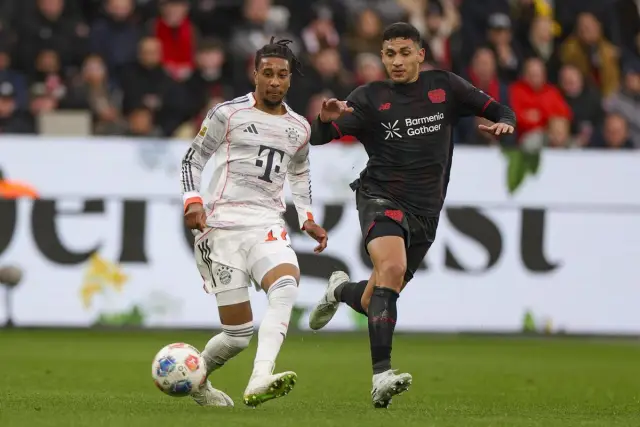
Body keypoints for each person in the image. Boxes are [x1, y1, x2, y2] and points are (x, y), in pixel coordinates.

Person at [307, 22, 516, 408]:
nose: (397, 61)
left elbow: (498, 108)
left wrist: (507, 123)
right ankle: (381, 376)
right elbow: (319, 138)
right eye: (390, 54)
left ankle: (338, 289)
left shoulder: (446, 87)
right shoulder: (369, 97)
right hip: (380, 197)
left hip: (427, 212)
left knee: (374, 299)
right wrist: (324, 119)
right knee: (391, 269)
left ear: (421, 54)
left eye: (405, 53)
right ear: (382, 57)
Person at [180, 38, 328, 408]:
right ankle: (197, 381)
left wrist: (307, 218)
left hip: (266, 225)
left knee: (286, 285)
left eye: (282, 75)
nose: (275, 81)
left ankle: (261, 377)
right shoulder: (227, 114)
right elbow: (192, 160)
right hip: (222, 229)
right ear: (255, 75)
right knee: (237, 335)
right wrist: (192, 200)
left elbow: (300, 172)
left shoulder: (299, 127)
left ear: (290, 79)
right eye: (268, 73)